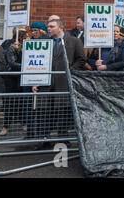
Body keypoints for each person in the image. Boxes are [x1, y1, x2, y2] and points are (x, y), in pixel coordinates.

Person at [31, 19, 86, 149]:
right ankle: (44, 140)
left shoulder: (74, 41)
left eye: (51, 26)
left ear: (60, 27)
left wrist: (70, 71)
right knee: (44, 112)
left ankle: (63, 139)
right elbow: (35, 62)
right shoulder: (43, 42)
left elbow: (81, 59)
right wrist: (34, 80)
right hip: (46, 84)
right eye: (48, 26)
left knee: (62, 112)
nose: (48, 28)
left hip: (63, 82)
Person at [1, 30, 30, 137]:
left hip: (21, 78)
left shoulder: (26, 47)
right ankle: (6, 126)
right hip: (11, 78)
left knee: (21, 102)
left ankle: (24, 123)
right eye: (26, 37)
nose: (29, 39)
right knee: (9, 103)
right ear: (21, 38)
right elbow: (12, 63)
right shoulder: (12, 47)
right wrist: (27, 67)